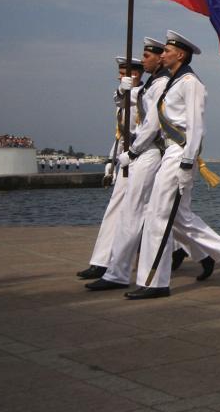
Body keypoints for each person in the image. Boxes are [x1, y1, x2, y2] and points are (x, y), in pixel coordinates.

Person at [125, 31, 220, 300]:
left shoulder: (190, 83)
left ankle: (155, 281)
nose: (163, 54)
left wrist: (187, 162)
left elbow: (196, 126)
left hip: (179, 153)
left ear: (180, 55)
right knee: (177, 216)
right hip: (171, 151)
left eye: (167, 51)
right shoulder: (172, 83)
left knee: (158, 215)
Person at [87, 37, 193, 292]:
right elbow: (127, 114)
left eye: (149, 56)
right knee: (138, 213)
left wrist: (132, 153)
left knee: (137, 212)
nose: (145, 59)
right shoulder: (151, 86)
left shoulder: (165, 85)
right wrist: (123, 91)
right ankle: (115, 268)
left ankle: (119, 272)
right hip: (138, 153)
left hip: (149, 153)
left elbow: (150, 126)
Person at [77, 57, 143, 280]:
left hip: (143, 156)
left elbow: (142, 127)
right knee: (118, 208)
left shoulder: (146, 93)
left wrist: (125, 93)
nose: (119, 76)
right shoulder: (125, 96)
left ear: (136, 74)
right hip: (126, 157)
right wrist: (110, 161)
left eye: (124, 72)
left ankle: (186, 249)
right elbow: (120, 132)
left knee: (160, 212)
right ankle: (101, 261)